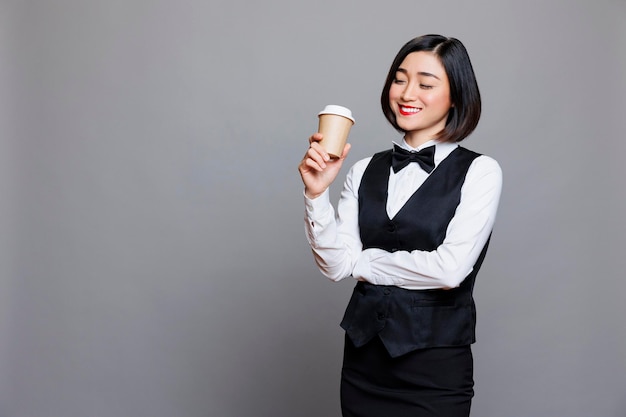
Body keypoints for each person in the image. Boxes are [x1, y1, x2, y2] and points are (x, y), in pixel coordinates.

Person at [298, 34, 502, 417]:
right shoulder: (362, 169)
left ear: (456, 95)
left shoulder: (480, 171)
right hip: (363, 366)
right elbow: (336, 265)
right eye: (399, 79)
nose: (408, 93)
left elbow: (450, 269)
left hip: (434, 372)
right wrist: (316, 194)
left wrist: (368, 263)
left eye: (426, 84)